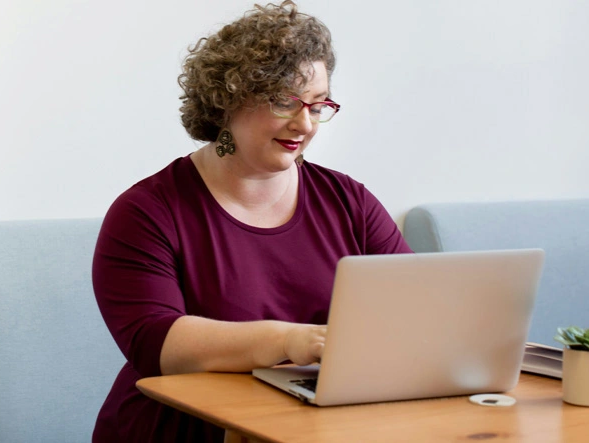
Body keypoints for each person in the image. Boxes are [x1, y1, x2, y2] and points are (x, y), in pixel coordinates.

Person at [91, 1, 413, 441]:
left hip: (315, 427)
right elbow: (157, 343)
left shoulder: (348, 201)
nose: (306, 123)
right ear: (228, 99)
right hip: (187, 430)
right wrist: (288, 341)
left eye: (318, 105)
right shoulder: (147, 211)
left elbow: (412, 307)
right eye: (285, 102)